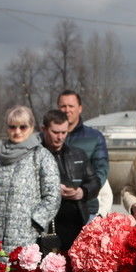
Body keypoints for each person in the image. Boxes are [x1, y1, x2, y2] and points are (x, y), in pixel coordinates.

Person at [0, 105, 60, 252]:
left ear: (31, 127)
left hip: (28, 241)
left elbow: (53, 196)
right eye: (12, 127)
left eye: (22, 127)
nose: (17, 132)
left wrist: (35, 221)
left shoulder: (41, 156)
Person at [41, 108, 100, 252]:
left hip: (76, 221)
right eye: (55, 132)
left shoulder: (78, 154)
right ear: (44, 129)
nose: (60, 137)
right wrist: (52, 189)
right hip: (47, 224)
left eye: (64, 132)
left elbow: (95, 182)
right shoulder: (35, 156)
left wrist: (82, 191)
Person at [57, 90, 109, 220]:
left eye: (71, 106)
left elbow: (101, 171)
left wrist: (83, 191)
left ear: (80, 108)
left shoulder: (95, 137)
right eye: (63, 106)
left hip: (86, 207)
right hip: (55, 209)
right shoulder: (47, 138)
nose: (66, 110)